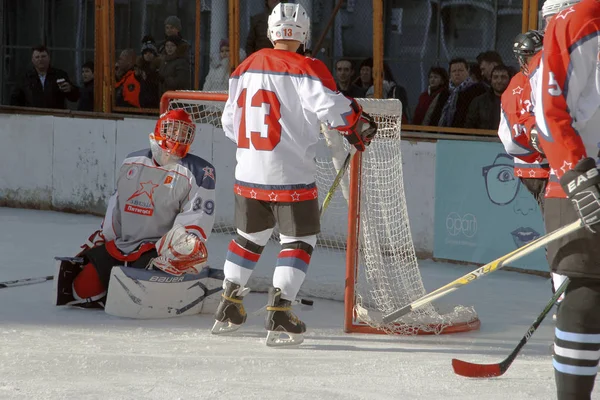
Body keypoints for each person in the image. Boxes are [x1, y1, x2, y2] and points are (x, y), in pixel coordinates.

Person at [213, 2, 377, 346]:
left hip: (248, 172)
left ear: (271, 32)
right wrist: (356, 124)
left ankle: (229, 304)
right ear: (303, 34)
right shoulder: (307, 67)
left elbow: (229, 123)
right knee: (298, 241)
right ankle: (280, 312)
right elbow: (331, 107)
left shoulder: (243, 67)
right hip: (290, 175)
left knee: (248, 237)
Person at [54, 109, 216, 309]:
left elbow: (197, 218)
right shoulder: (132, 161)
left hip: (158, 252)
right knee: (81, 290)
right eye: (172, 130)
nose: (177, 137)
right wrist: (105, 237)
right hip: (123, 244)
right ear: (159, 129)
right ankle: (111, 287)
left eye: (184, 133)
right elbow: (116, 207)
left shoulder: (200, 171)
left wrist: (180, 251)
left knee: (136, 298)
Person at [531, 0, 600, 398]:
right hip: (581, 182)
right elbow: (548, 111)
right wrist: (577, 175)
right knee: (586, 296)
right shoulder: (579, 19)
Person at [10, 45, 80, 109]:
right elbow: (15, 100)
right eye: (37, 57)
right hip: (32, 118)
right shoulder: (24, 78)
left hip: (55, 118)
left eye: (43, 56)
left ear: (49, 58)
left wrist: (71, 89)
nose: (40, 59)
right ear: (32, 60)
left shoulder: (60, 75)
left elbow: (74, 98)